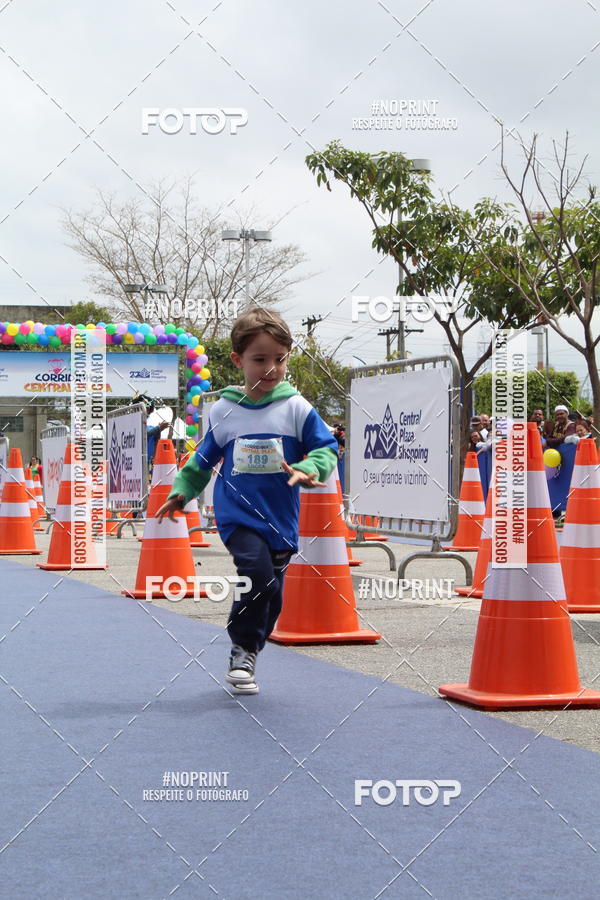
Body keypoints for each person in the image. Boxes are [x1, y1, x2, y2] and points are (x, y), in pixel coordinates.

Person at [156, 308, 339, 695]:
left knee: (271, 593)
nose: (271, 368)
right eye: (260, 359)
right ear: (238, 360)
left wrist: (310, 468)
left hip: (280, 520)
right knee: (256, 575)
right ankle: (242, 649)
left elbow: (326, 448)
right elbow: (203, 457)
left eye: (280, 359)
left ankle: (252, 642)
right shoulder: (224, 410)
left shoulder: (297, 408)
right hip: (236, 515)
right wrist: (182, 491)